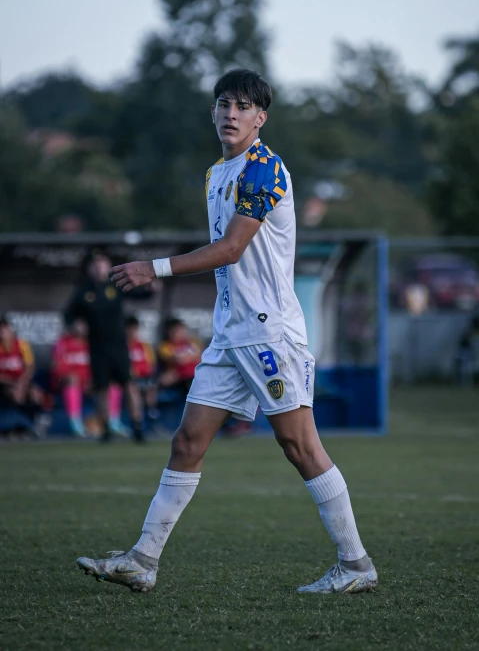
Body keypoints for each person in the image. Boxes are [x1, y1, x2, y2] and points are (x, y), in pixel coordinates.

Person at [77, 69, 377, 595]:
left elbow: (233, 248)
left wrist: (156, 267)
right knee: (187, 441)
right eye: (223, 104)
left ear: (261, 117)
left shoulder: (264, 168)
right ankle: (143, 560)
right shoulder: (217, 171)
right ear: (213, 113)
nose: (231, 113)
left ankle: (356, 565)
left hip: (269, 334)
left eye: (242, 106)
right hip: (230, 333)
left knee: (300, 446)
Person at [64, 251, 145, 442]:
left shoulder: (116, 285)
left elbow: (139, 293)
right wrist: (75, 324)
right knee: (102, 388)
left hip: (118, 346)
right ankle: (106, 428)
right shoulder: (83, 291)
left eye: (103, 264)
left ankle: (137, 427)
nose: (99, 268)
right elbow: (68, 315)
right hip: (97, 347)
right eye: (95, 264)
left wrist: (152, 288)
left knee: (128, 385)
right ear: (89, 269)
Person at [0, 315, 49, 436]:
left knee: (35, 393)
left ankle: (36, 422)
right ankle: (18, 425)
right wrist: (13, 383)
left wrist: (21, 383)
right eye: (2, 330)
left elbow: (30, 366)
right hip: (5, 383)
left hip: (21, 381)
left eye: (6, 329)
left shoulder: (21, 344)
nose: (4, 333)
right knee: (15, 394)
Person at [51, 318, 91, 437]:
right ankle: (75, 422)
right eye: (79, 323)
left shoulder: (91, 343)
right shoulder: (63, 342)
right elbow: (56, 367)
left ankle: (113, 422)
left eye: (84, 324)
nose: (81, 327)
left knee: (110, 381)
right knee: (73, 379)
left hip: (87, 382)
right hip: (64, 381)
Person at [157, 317, 202, 399]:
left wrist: (185, 358)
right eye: (176, 330)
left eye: (181, 330)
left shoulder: (192, 342)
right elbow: (178, 360)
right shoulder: (165, 346)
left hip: (193, 376)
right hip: (178, 379)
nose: (179, 333)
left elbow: (200, 356)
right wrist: (191, 357)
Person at [125, 315, 158, 424]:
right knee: (132, 389)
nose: (132, 332)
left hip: (144, 378)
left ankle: (151, 413)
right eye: (129, 329)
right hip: (128, 380)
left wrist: (141, 372)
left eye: (134, 329)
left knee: (151, 386)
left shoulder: (144, 346)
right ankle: (137, 423)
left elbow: (150, 365)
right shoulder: (122, 346)